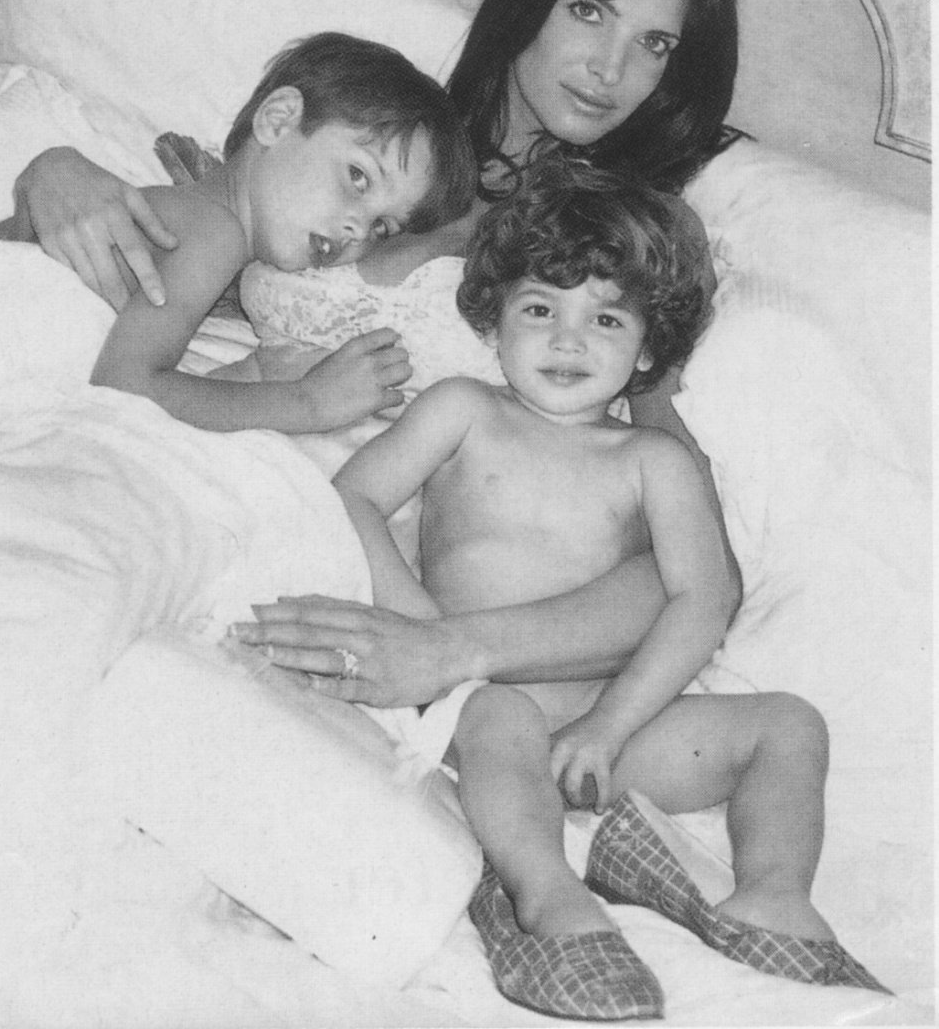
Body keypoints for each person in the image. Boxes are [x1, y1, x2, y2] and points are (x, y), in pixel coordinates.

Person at [8, 0, 743, 699]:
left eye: (653, 43)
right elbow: (176, 250)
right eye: (588, 10)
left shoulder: (613, 251)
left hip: (358, 592)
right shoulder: (380, 142)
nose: (610, 68)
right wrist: (51, 172)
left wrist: (454, 650)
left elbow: (698, 576)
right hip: (179, 485)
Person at [329, 158, 888, 1020]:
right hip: (472, 710)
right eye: (539, 310)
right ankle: (546, 896)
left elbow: (702, 599)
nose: (568, 340)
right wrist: (414, 617)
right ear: (493, 320)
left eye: (605, 319)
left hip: (599, 730)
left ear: (647, 349)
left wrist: (608, 725)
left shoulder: (652, 461)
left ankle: (771, 896)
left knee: (787, 724)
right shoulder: (461, 410)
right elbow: (352, 496)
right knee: (503, 715)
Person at [0, 33, 476, 433]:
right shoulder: (213, 232)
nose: (358, 228)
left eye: (382, 227)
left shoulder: (199, 230)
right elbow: (124, 387)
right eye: (358, 177)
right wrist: (309, 402)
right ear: (278, 120)